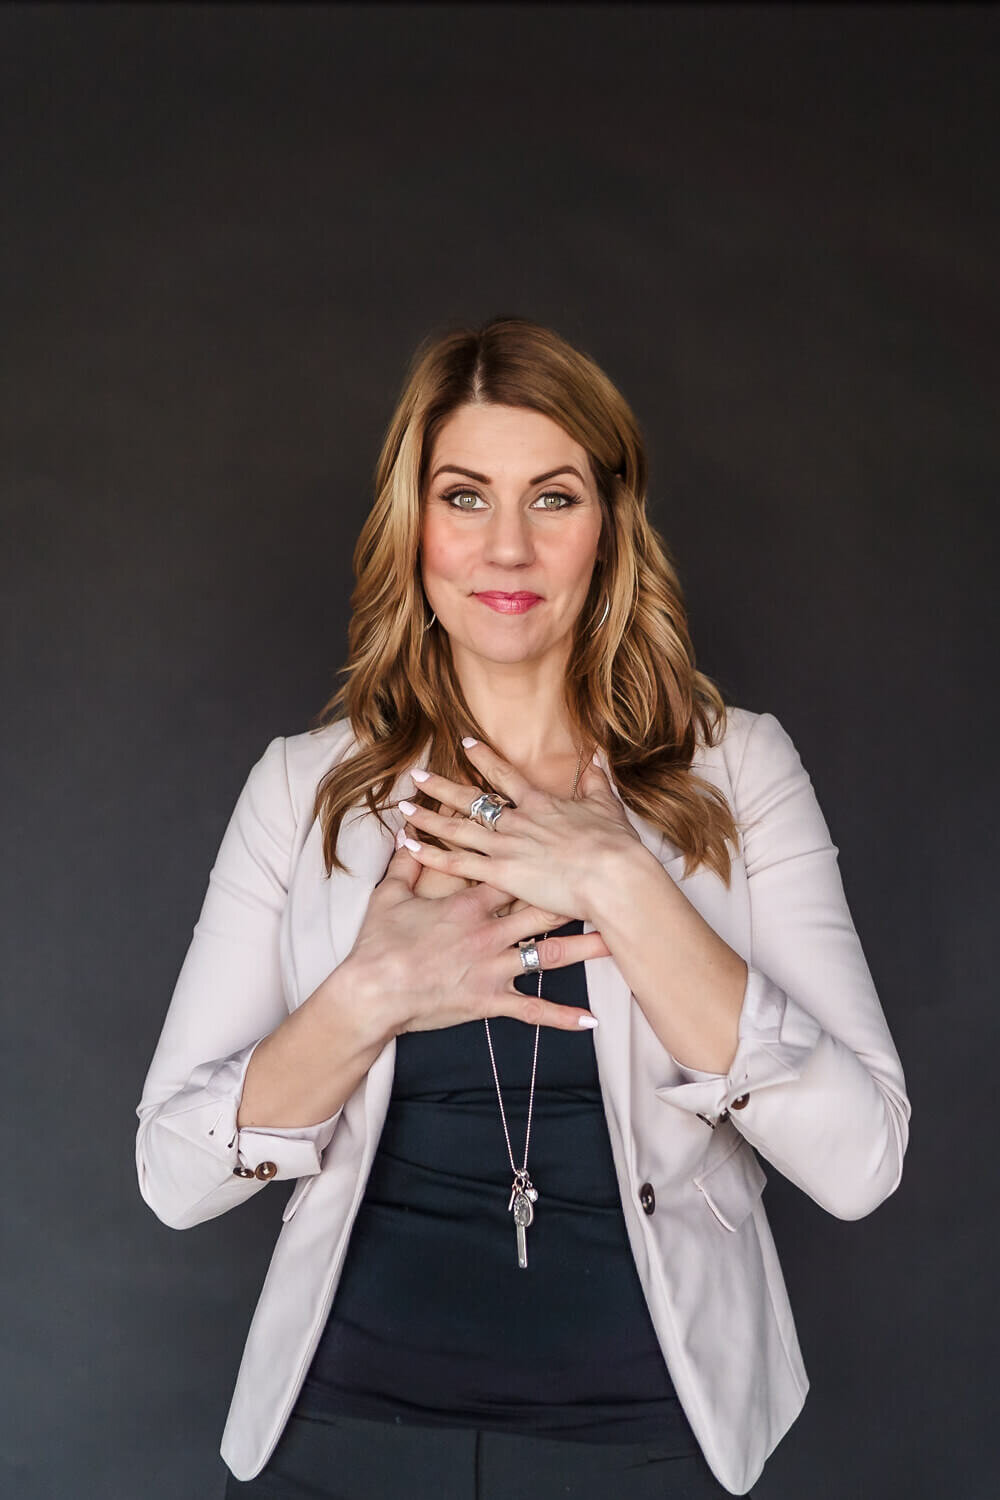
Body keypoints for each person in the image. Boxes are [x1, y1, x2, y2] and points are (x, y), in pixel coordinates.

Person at [134, 316, 910, 1499]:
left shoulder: (737, 772)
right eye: (464, 497)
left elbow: (861, 1163)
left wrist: (621, 883)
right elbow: (172, 1177)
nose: (507, 547)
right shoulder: (302, 791)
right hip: (348, 1433)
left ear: (609, 527)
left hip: (653, 1439)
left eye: (552, 498)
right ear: (414, 526)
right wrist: (371, 996)